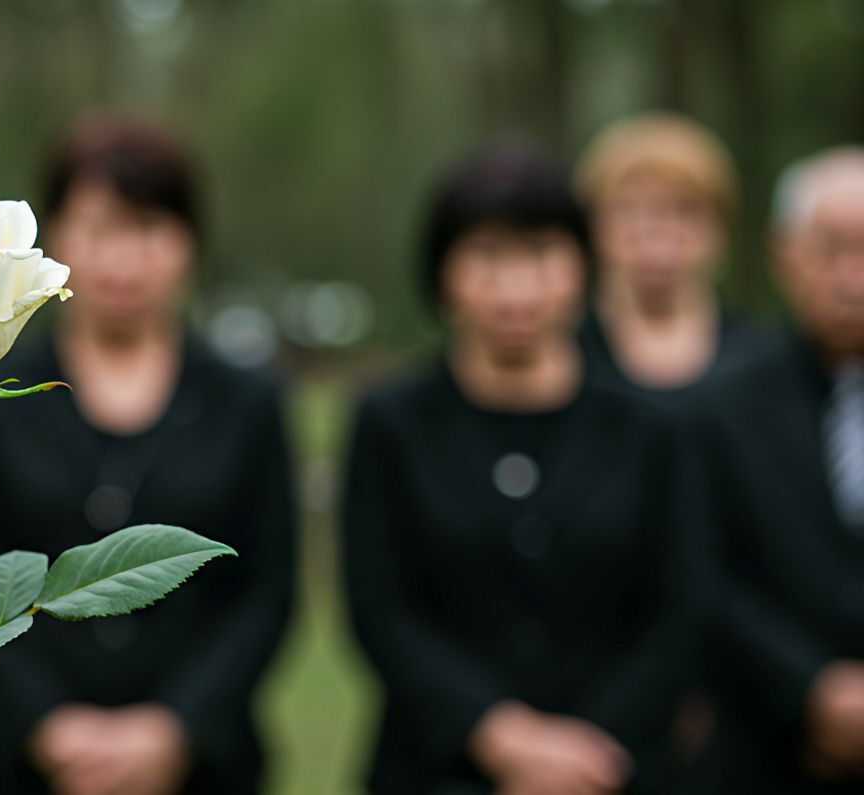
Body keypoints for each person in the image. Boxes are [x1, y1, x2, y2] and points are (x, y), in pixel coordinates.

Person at [0, 116, 296, 795]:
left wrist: (174, 728)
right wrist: (46, 723)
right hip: (18, 765)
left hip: (203, 766)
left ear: (191, 241)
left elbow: (267, 593)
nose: (123, 260)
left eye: (148, 229)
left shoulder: (248, 404)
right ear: (55, 237)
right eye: (99, 228)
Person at [342, 145, 706, 794]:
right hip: (437, 767)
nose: (515, 288)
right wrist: (500, 737)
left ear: (581, 267)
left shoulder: (650, 430)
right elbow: (379, 607)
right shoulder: (391, 424)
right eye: (485, 257)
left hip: (614, 770)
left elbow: (677, 607)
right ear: (442, 273)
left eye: (539, 255)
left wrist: (581, 755)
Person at [693, 146, 864, 793]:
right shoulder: (721, 407)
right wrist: (812, 690)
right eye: (831, 248)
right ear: (782, 252)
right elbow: (704, 571)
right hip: (765, 749)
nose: (853, 276)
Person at [574, 112, 771, 402]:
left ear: (720, 229)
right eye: (628, 210)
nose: (657, 230)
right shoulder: (561, 359)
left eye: (685, 209)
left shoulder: (764, 363)